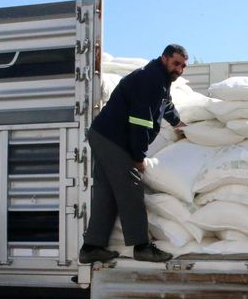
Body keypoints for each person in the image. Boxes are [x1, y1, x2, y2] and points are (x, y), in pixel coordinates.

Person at [79, 45, 188, 264]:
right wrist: (138, 158)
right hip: (113, 139)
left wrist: (177, 122)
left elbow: (164, 104)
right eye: (176, 63)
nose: (179, 69)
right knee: (132, 188)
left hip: (103, 135)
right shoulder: (151, 79)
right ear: (164, 58)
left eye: (183, 66)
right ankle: (142, 247)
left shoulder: (159, 79)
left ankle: (91, 247)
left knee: (106, 193)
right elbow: (140, 122)